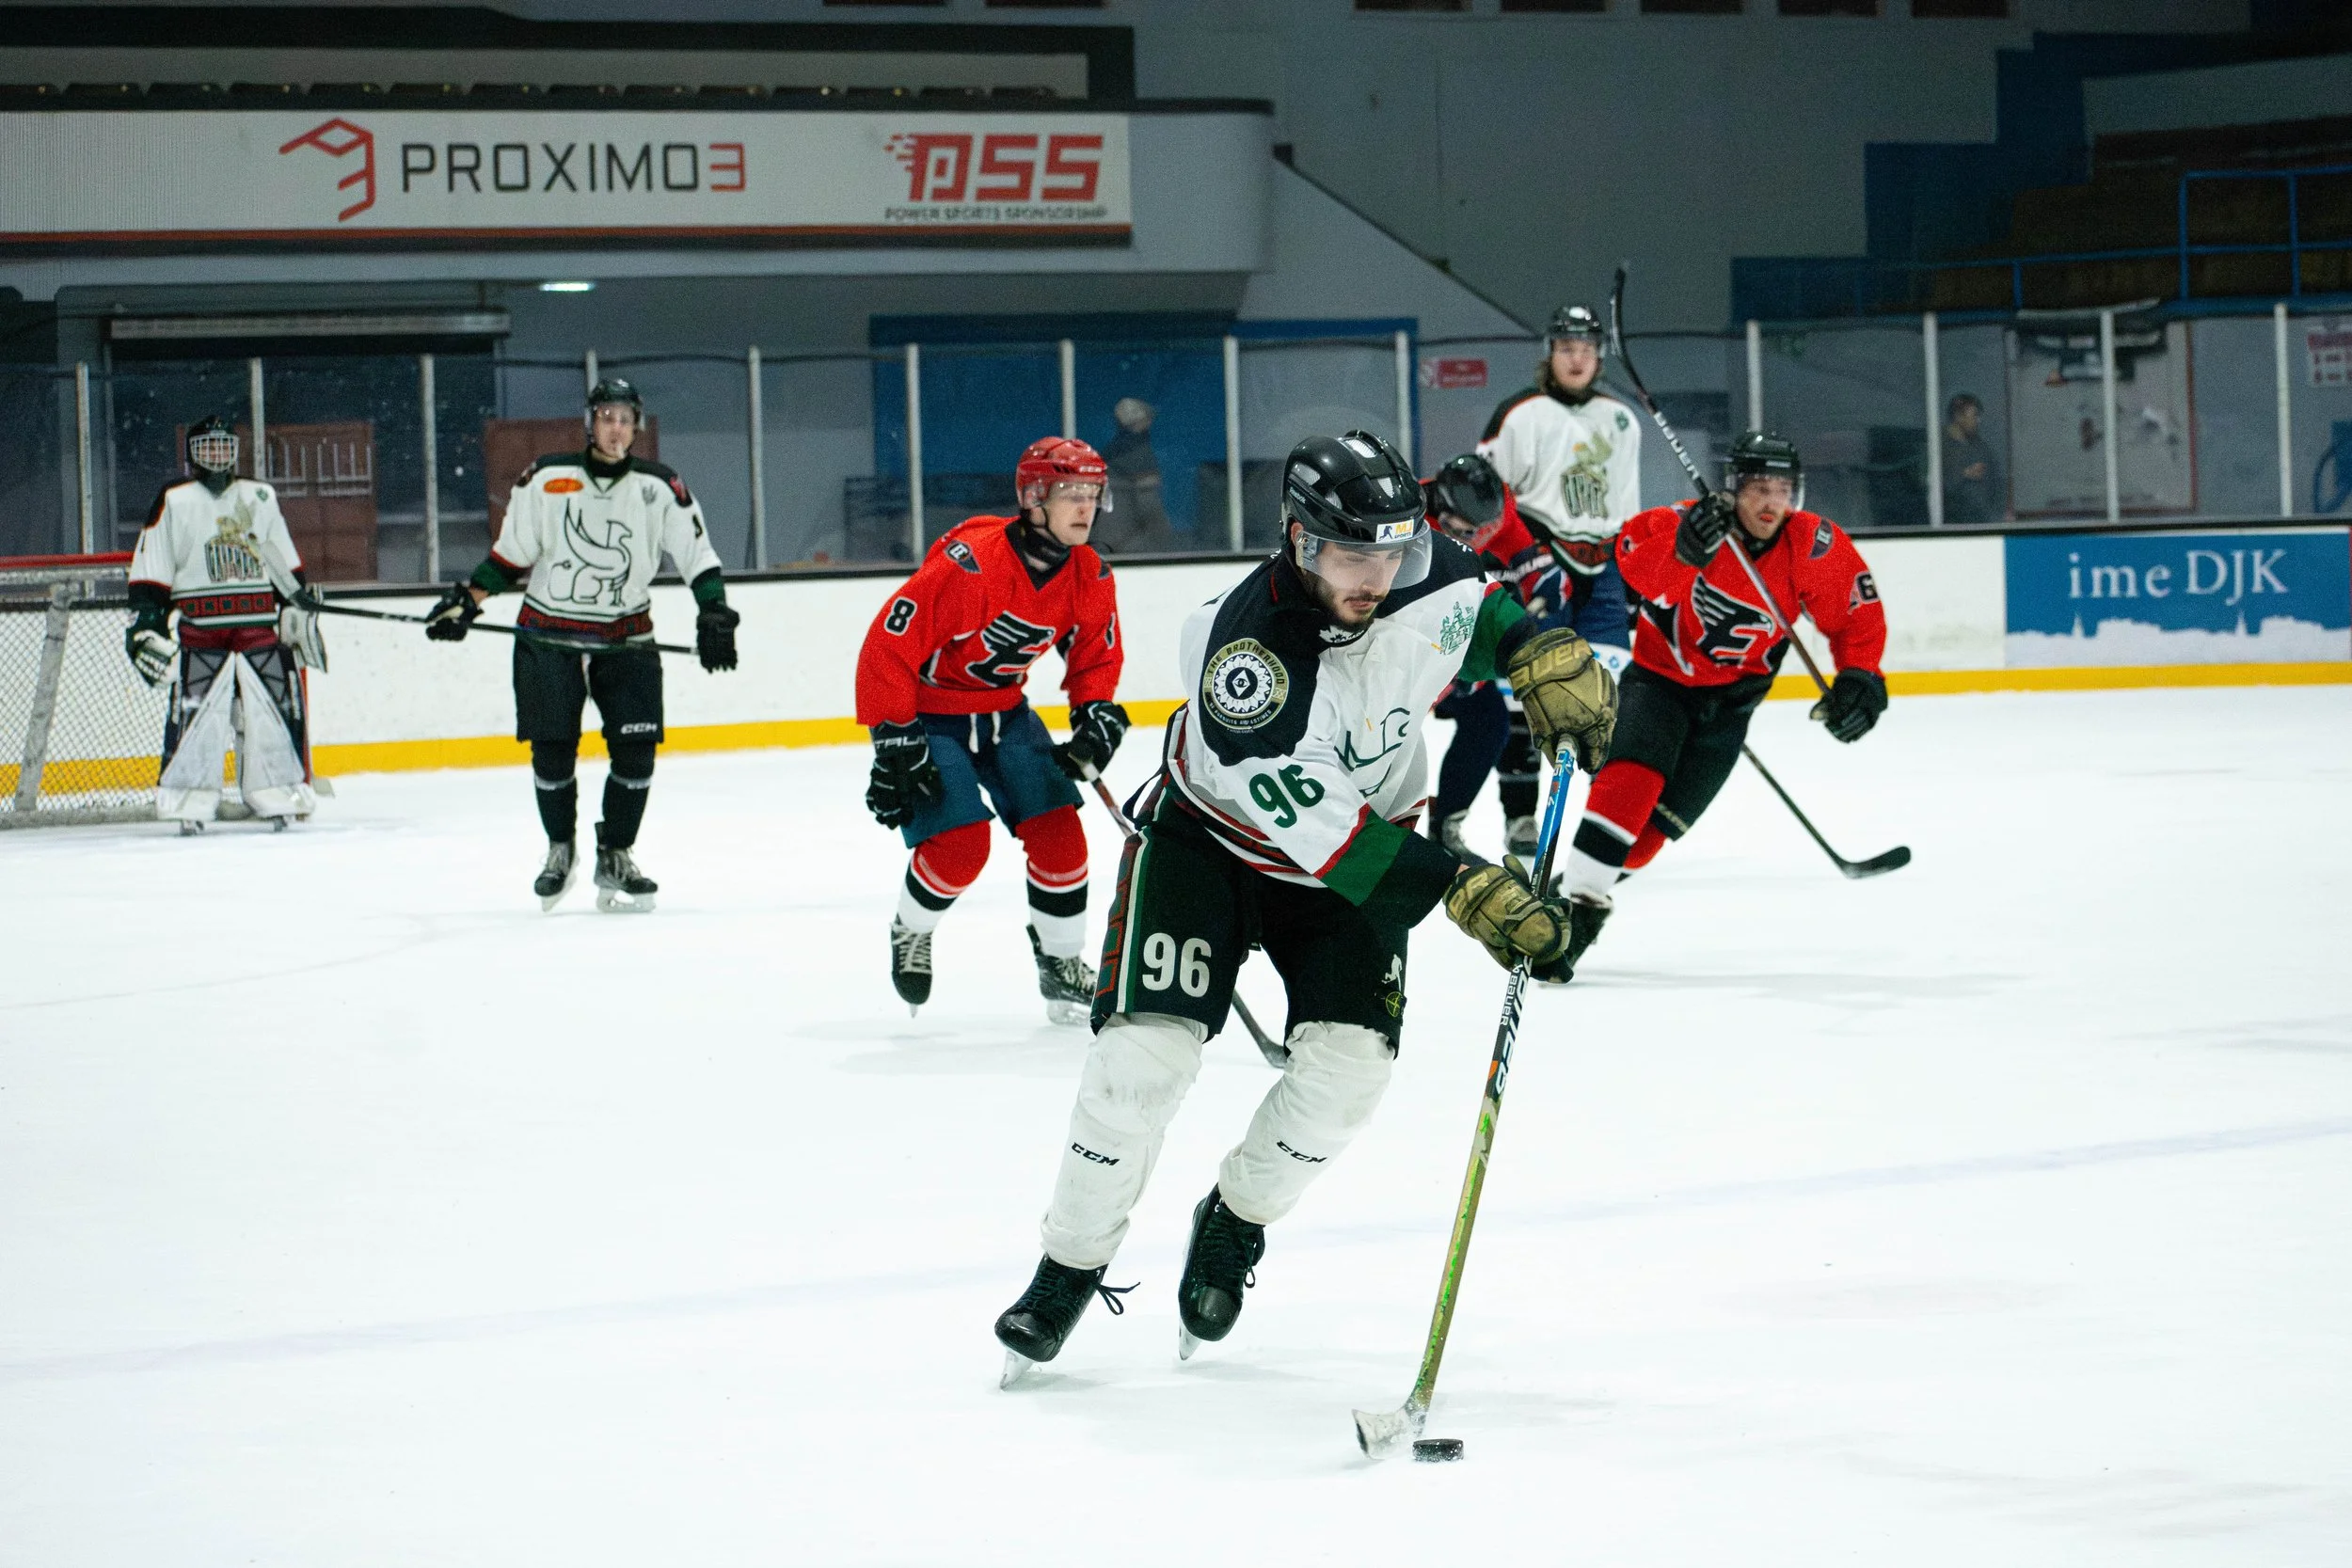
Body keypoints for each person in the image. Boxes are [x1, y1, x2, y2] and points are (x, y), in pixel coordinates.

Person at [989, 430, 1616, 1383]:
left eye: (1392, 550)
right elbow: (1333, 839)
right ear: (1296, 539)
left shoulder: (1415, 559)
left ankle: (1231, 1221)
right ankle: (1068, 1265)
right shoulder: (1250, 669)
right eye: (1350, 552)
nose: (1378, 573)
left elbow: (1472, 605)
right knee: (1136, 1068)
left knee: (1348, 1077)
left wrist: (1533, 646)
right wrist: (1456, 883)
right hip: (1217, 850)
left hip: (1356, 856)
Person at [1556, 433, 1887, 978]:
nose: (1771, 503)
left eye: (1783, 489)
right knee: (1627, 791)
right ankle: (1575, 915)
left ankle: (1572, 882)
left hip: (1731, 708)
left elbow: (1855, 615)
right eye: (1760, 487)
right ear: (1734, 488)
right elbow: (1634, 561)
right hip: (1660, 685)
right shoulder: (1690, 524)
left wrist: (1859, 677)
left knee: (1641, 848)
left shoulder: (1812, 544)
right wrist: (1686, 550)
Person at [421, 377, 740, 913]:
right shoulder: (546, 478)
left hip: (626, 640)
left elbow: (698, 558)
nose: (615, 428)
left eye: (624, 419)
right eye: (605, 416)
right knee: (551, 752)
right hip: (549, 638)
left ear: (636, 427)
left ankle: (615, 852)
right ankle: (559, 849)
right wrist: (468, 602)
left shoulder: (661, 487)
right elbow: (510, 556)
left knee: (637, 754)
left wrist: (714, 612)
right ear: (589, 421)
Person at [854, 436, 1129, 1025]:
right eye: (1070, 494)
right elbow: (888, 644)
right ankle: (912, 928)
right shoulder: (970, 566)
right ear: (1033, 497)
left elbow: (1094, 657)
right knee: (961, 846)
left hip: (1005, 712)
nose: (1085, 507)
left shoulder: (1088, 573)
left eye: (1092, 493)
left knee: (1060, 831)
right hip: (931, 716)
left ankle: (1059, 965)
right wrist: (893, 738)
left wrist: (1095, 714)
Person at [1479, 302, 1642, 854]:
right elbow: (1485, 501)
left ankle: (1605, 824)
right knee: (1527, 694)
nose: (1577, 359)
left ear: (1599, 356)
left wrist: (1635, 577)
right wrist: (1505, 568)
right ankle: (1520, 817)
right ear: (1550, 353)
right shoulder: (1519, 415)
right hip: (1539, 559)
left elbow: (1627, 508)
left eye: (1588, 349)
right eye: (1567, 348)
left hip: (1604, 567)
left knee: (1608, 698)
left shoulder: (1621, 420)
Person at [126, 415, 324, 832]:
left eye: (223, 446)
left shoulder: (261, 496)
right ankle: (189, 802)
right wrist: (147, 621)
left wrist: (296, 600)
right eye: (207, 447)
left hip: (257, 626)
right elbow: (152, 567)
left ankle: (278, 794)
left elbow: (282, 561)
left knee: (271, 711)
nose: (216, 455)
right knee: (196, 716)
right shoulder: (174, 499)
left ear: (235, 451)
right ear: (192, 454)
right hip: (201, 628)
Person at [1420, 451, 1561, 857]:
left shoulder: (1499, 510)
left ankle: (1443, 827)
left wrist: (1540, 596)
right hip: (1396, 641)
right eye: (1461, 531)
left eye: (1485, 529)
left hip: (1454, 637)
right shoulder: (1408, 521)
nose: (1476, 540)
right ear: (1439, 513)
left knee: (1489, 720)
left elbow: (1534, 570)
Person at [1094, 397, 1179, 555]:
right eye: (1148, 418)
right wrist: (1167, 543)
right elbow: (1149, 504)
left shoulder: (1109, 452)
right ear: (1141, 422)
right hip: (1129, 544)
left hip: (1105, 542)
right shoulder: (1140, 455)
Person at [1941, 392, 2003, 525]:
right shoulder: (1939, 447)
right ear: (1958, 417)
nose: (1978, 421)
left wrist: (2002, 511)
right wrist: (1964, 474)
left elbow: (1996, 478)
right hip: (1953, 526)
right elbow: (1928, 485)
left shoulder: (1980, 446)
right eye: (1974, 415)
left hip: (1983, 521)